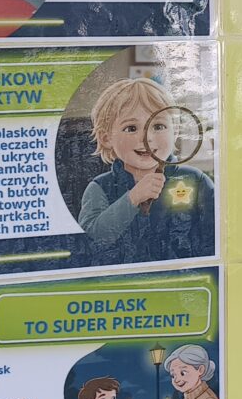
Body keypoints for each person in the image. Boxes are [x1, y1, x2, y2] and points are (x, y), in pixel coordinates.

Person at [76, 77, 216, 264]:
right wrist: (132, 198)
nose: (146, 138)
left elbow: (216, 237)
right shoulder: (99, 188)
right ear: (106, 138)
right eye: (131, 128)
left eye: (158, 126)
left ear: (175, 131)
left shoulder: (195, 180)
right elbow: (90, 241)